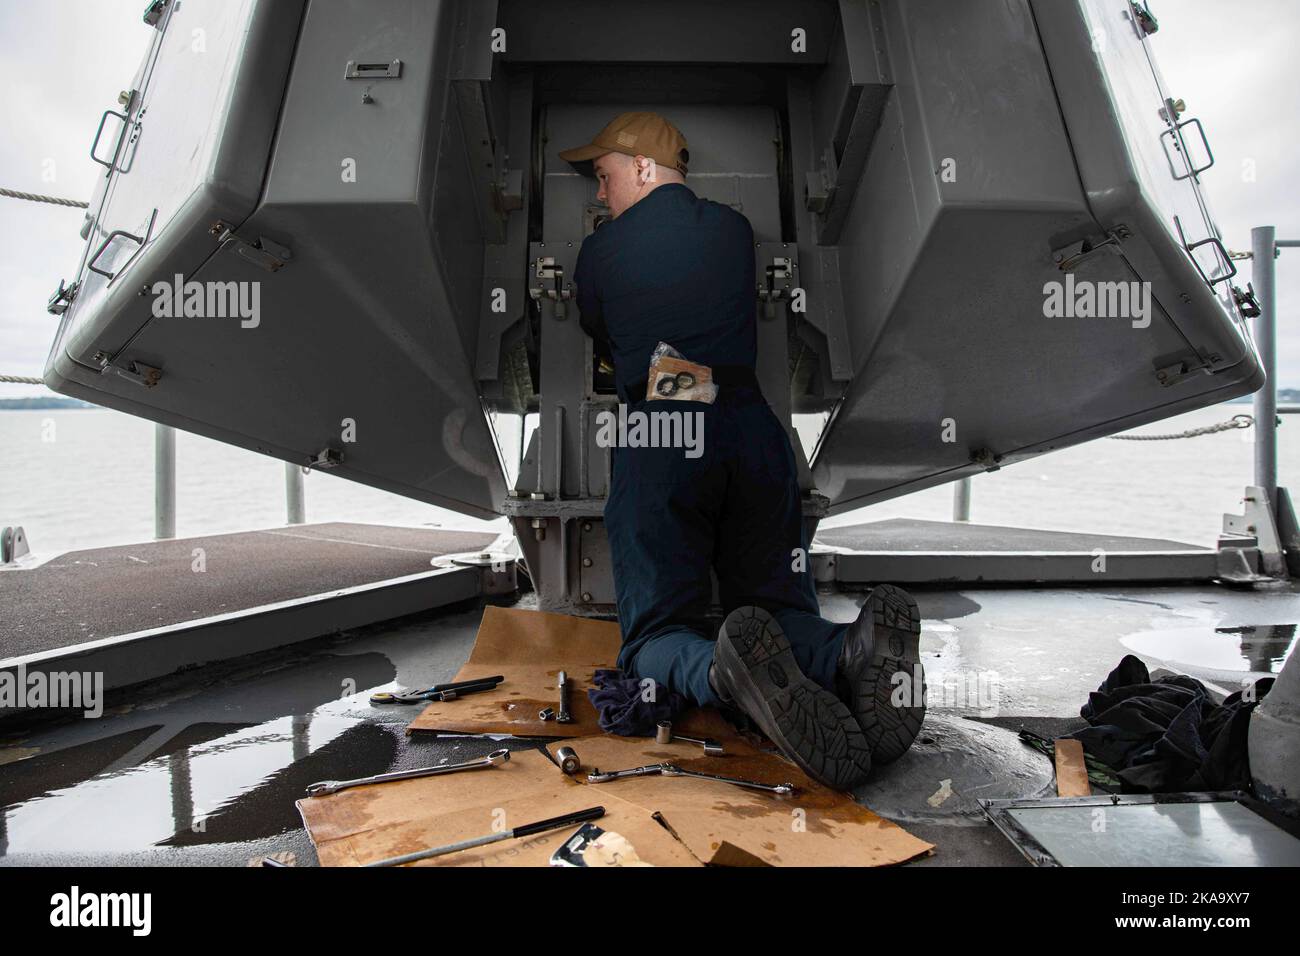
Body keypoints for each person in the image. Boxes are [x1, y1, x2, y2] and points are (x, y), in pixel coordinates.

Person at [562, 111, 924, 789]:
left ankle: (723, 674)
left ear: (642, 168)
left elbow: (601, 334)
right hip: (753, 425)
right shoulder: (732, 231)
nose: (600, 195)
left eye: (605, 177)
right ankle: (849, 649)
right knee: (780, 605)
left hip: (669, 414)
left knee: (652, 633)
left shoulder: (601, 251)